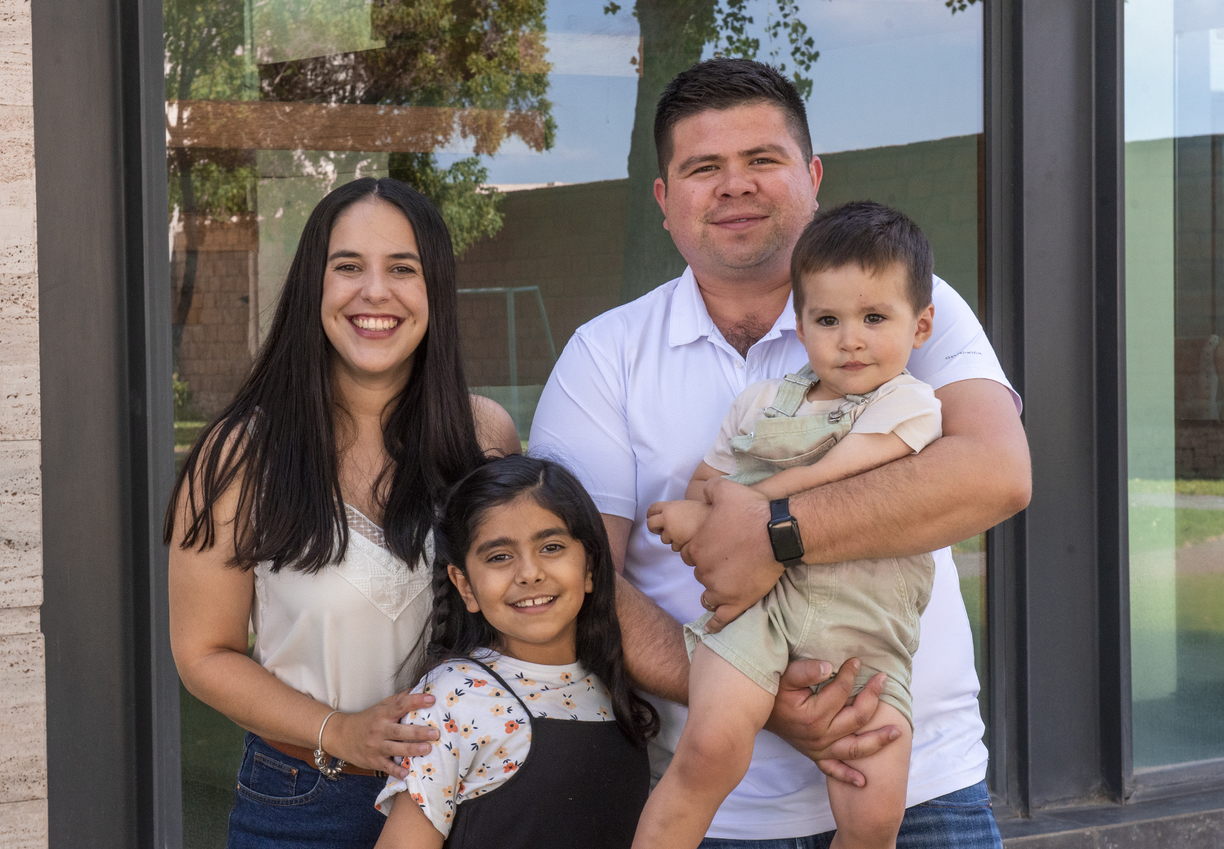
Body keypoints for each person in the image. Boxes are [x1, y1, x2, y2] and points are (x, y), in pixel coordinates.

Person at [529, 58, 1031, 847]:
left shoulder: (904, 305)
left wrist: (776, 532)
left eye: (762, 159)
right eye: (703, 168)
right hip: (719, 810)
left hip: (920, 787)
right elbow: (578, 576)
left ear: (812, 176)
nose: (735, 185)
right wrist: (752, 690)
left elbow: (996, 473)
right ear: (663, 199)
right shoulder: (606, 356)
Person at [165, 177, 520, 848]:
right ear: (314, 287)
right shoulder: (240, 455)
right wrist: (339, 730)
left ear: (435, 291)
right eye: (348, 266)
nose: (374, 291)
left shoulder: (484, 437)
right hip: (303, 801)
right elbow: (203, 653)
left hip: (469, 796)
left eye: (402, 269)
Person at [634, 201, 943, 849]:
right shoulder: (760, 403)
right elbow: (706, 483)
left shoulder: (911, 404)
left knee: (874, 810)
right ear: (800, 327)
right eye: (828, 320)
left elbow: (837, 472)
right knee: (707, 752)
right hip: (758, 614)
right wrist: (700, 508)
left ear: (920, 326)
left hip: (863, 631)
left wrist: (733, 508)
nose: (850, 338)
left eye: (874, 318)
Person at [373, 455, 659, 849]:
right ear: (465, 586)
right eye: (499, 557)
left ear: (589, 568)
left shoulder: (611, 687)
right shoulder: (451, 698)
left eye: (552, 547)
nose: (529, 573)